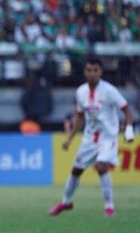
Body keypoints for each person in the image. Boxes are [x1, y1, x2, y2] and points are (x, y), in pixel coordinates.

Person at [49, 58, 135, 218]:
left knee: (101, 166)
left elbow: (127, 110)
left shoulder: (109, 91)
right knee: (76, 170)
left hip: (107, 137)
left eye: (95, 70)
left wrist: (129, 129)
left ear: (101, 72)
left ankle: (109, 207)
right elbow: (80, 117)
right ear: (85, 72)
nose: (92, 73)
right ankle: (66, 202)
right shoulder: (81, 92)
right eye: (89, 70)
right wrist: (69, 138)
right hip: (89, 139)